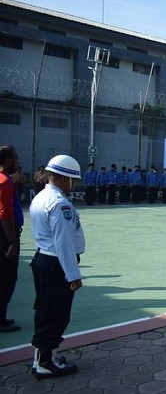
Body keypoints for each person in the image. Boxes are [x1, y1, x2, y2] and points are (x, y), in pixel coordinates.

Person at [29, 155, 85, 378]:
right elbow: (64, 244)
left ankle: (43, 357)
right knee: (56, 313)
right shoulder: (60, 204)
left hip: (43, 259)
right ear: (64, 179)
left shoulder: (41, 196)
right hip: (56, 264)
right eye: (74, 180)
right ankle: (45, 363)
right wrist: (73, 275)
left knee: (44, 310)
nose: (75, 184)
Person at [0, 145, 22, 333]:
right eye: (15, 158)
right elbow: (5, 213)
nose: (18, 161)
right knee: (7, 278)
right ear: (7, 161)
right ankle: (1, 318)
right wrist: (12, 241)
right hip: (6, 234)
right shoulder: (5, 182)